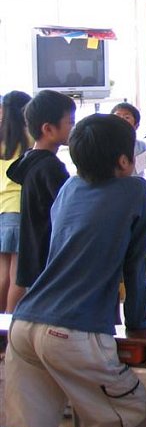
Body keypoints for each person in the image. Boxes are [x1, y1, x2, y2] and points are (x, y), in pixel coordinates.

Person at [4, 114, 146, 427]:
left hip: (25, 324)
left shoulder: (69, 188)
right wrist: (139, 318)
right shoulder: (133, 192)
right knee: (127, 412)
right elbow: (134, 266)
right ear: (125, 162)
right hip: (73, 330)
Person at [9, 90, 76, 300]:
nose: (73, 128)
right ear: (48, 129)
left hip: (33, 256)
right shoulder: (50, 168)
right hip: (48, 258)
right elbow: (68, 212)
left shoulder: (31, 161)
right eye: (70, 123)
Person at [0, 90, 31, 311]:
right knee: (18, 276)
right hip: (19, 209)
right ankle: (10, 326)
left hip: (1, 210)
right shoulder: (29, 138)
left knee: (2, 275)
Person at [111, 102, 146, 189]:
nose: (121, 120)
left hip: (134, 191)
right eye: (117, 116)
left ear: (136, 125)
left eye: (127, 117)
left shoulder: (140, 147)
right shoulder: (104, 145)